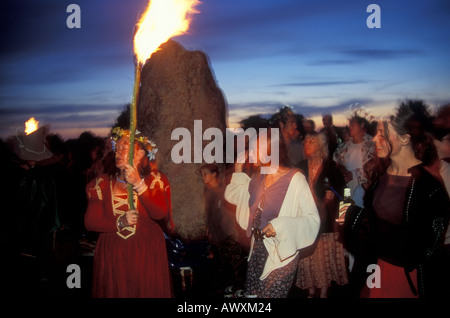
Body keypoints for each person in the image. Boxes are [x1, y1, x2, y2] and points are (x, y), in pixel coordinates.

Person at [338, 101, 450, 298]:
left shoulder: (429, 189)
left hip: (405, 281)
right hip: (374, 272)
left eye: (382, 133)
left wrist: (355, 218)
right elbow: (364, 234)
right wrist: (348, 215)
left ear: (405, 138)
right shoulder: (380, 178)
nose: (374, 139)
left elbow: (423, 251)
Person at [224, 129, 320, 298]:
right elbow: (234, 197)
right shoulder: (258, 178)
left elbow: (312, 220)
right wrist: (238, 171)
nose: (249, 152)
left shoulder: (295, 179)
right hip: (257, 253)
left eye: (255, 148)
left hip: (280, 256)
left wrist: (280, 226)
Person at [84, 127, 172, 298]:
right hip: (113, 256)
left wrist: (139, 183)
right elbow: (90, 222)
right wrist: (119, 222)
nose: (118, 151)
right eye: (116, 148)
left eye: (124, 147)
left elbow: (160, 212)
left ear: (140, 154)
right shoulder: (101, 184)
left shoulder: (156, 180)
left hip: (146, 254)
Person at [6, 124, 78, 296]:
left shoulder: (30, 179)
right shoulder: (63, 172)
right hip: (64, 243)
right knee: (66, 286)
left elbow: (24, 216)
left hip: (41, 247)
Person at [295, 132, 348, 298]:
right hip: (305, 225)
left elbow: (346, 194)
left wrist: (342, 220)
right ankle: (310, 293)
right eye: (305, 142)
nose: (306, 145)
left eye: (310, 141)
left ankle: (324, 294)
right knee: (308, 264)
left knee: (323, 265)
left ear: (320, 145)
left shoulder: (331, 169)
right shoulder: (300, 168)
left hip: (326, 226)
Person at [200, 163, 246, 295]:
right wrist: (209, 229)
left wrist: (234, 234)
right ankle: (231, 287)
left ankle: (240, 289)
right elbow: (209, 213)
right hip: (217, 235)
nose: (203, 177)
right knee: (224, 265)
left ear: (214, 174)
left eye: (205, 174)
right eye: (202, 175)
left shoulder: (224, 191)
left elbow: (231, 213)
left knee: (235, 265)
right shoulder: (207, 192)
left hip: (230, 235)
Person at [333, 114, 375, 205]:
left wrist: (354, 174)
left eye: (353, 123)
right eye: (349, 123)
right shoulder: (344, 146)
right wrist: (342, 170)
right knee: (346, 213)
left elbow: (376, 169)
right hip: (347, 190)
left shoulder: (373, 145)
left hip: (365, 191)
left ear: (362, 124)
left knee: (360, 215)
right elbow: (336, 164)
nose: (349, 126)